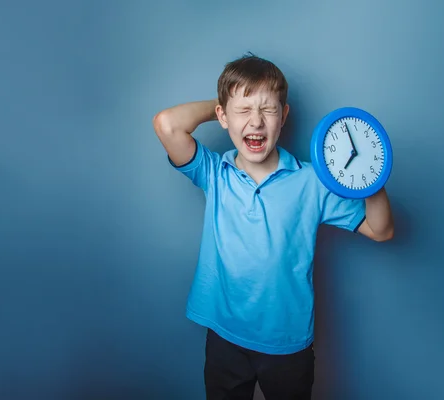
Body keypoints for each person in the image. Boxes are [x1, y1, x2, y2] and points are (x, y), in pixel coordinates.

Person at [152, 53, 394, 399]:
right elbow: (166, 124)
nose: (256, 121)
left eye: (268, 110)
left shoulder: (312, 181)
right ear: (222, 116)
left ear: (284, 116)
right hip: (225, 338)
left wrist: (371, 177)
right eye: (243, 111)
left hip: (287, 344)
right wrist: (227, 103)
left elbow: (381, 230)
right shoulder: (215, 174)